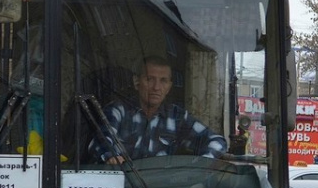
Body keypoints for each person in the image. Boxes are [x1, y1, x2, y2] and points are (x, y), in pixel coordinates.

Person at [89, 55, 227, 163]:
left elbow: (217, 141)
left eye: (163, 81)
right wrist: (111, 156)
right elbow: (100, 141)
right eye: (150, 79)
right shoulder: (117, 111)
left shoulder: (177, 116)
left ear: (169, 87)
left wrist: (201, 165)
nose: (156, 87)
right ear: (137, 82)